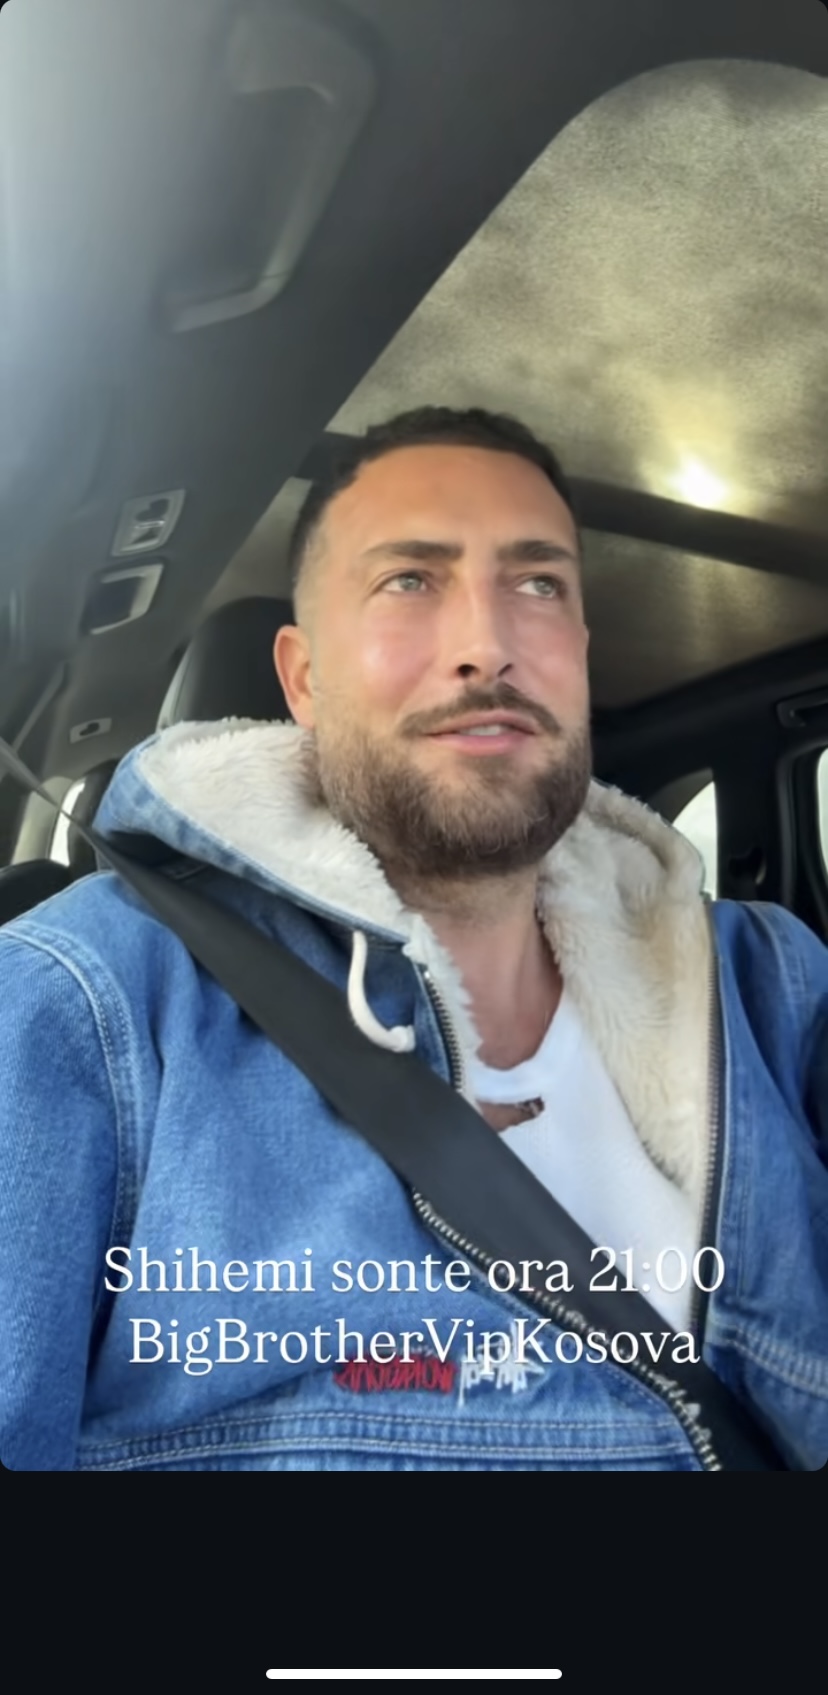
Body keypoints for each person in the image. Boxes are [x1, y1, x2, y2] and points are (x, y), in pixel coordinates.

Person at [0, 405, 826, 1472]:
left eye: (539, 585)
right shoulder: (86, 1002)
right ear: (303, 677)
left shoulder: (767, 984)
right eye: (409, 580)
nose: (487, 644)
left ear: (579, 655)